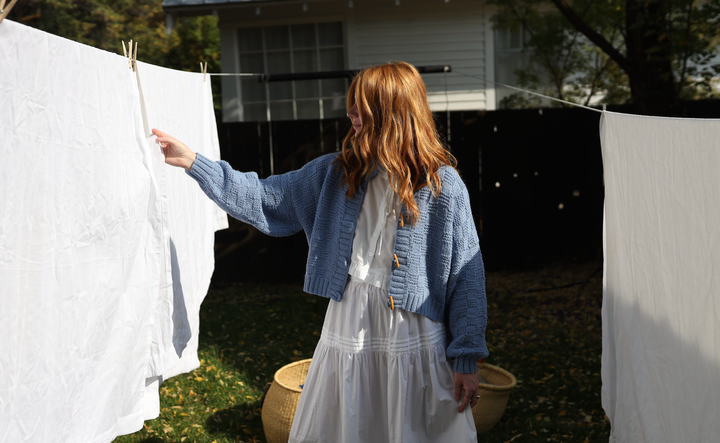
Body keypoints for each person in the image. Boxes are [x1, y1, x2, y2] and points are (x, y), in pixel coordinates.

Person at [153, 61, 488, 443]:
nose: (350, 114)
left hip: (413, 333)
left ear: (392, 111)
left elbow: (467, 277)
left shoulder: (442, 185)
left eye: (361, 106)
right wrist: (196, 163)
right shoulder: (336, 173)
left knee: (412, 428)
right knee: (349, 425)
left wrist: (465, 359)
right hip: (348, 323)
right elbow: (265, 197)